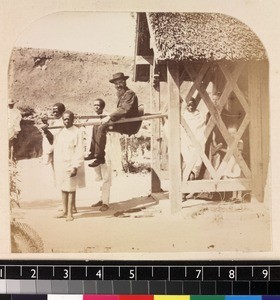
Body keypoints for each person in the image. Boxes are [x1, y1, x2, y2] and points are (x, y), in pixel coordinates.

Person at [85, 72, 141, 168]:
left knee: (103, 127)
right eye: (116, 84)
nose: (118, 85)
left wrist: (109, 117)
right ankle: (93, 153)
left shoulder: (130, 94)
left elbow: (124, 109)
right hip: (123, 121)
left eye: (120, 83)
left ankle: (99, 157)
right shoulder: (121, 95)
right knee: (97, 124)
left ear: (124, 82)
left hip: (129, 124)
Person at [85, 98, 122, 212]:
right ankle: (101, 199)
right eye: (94, 105)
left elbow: (114, 135)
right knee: (99, 177)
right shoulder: (91, 119)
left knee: (106, 178)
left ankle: (106, 202)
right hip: (95, 153)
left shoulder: (108, 117)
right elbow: (88, 136)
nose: (96, 107)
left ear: (102, 107)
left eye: (98, 105)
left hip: (105, 152)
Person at [51, 110, 85, 221]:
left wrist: (75, 166)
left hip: (71, 163)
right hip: (61, 163)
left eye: (69, 119)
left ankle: (70, 213)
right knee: (63, 187)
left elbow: (79, 150)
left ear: (73, 119)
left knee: (70, 188)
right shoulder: (60, 131)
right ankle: (64, 211)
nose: (66, 121)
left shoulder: (77, 132)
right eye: (64, 119)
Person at [181, 96, 208, 200]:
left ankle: (191, 191)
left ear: (195, 104)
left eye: (192, 105)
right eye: (188, 105)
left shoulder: (200, 116)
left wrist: (198, 139)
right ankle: (183, 191)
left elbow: (203, 128)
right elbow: (182, 129)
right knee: (187, 165)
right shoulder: (184, 116)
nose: (190, 107)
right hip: (187, 144)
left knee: (196, 167)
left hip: (198, 143)